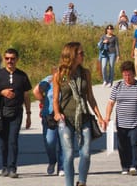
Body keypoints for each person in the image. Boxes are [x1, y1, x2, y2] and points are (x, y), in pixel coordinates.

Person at [52, 42, 104, 186]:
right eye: (81, 53)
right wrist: (57, 113)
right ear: (72, 55)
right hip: (66, 119)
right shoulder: (59, 75)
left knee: (86, 153)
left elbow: (90, 97)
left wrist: (99, 116)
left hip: (84, 116)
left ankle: (82, 182)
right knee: (68, 155)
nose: (83, 55)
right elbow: (55, 99)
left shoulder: (85, 73)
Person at [0, 48, 32, 178]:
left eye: (12, 58)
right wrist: (1, 91)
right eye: (7, 58)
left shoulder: (22, 76)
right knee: (3, 142)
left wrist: (28, 114)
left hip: (16, 112)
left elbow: (26, 96)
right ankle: (4, 166)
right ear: (4, 59)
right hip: (0, 113)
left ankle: (12, 168)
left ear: (17, 59)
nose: (10, 61)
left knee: (13, 140)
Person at [103, 61, 137, 176]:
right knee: (122, 145)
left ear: (134, 74)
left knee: (133, 143)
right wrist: (107, 117)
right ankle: (125, 166)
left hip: (136, 122)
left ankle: (133, 166)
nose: (127, 77)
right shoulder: (118, 86)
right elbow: (110, 103)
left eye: (129, 75)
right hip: (121, 123)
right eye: (124, 75)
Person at [33, 69, 63, 176]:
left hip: (64, 115)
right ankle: (52, 160)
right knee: (49, 141)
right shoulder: (49, 79)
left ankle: (62, 167)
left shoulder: (67, 80)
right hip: (49, 115)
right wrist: (43, 101)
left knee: (64, 143)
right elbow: (36, 91)